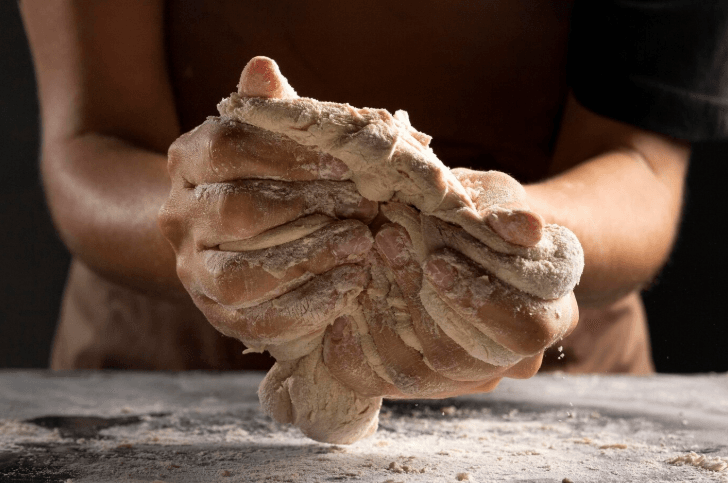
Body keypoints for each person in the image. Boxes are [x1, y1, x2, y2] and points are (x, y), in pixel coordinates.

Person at [18, 1, 726, 385]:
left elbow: (637, 160)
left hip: (547, 380)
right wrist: (204, 221)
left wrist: (507, 238)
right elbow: (92, 143)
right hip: (168, 378)